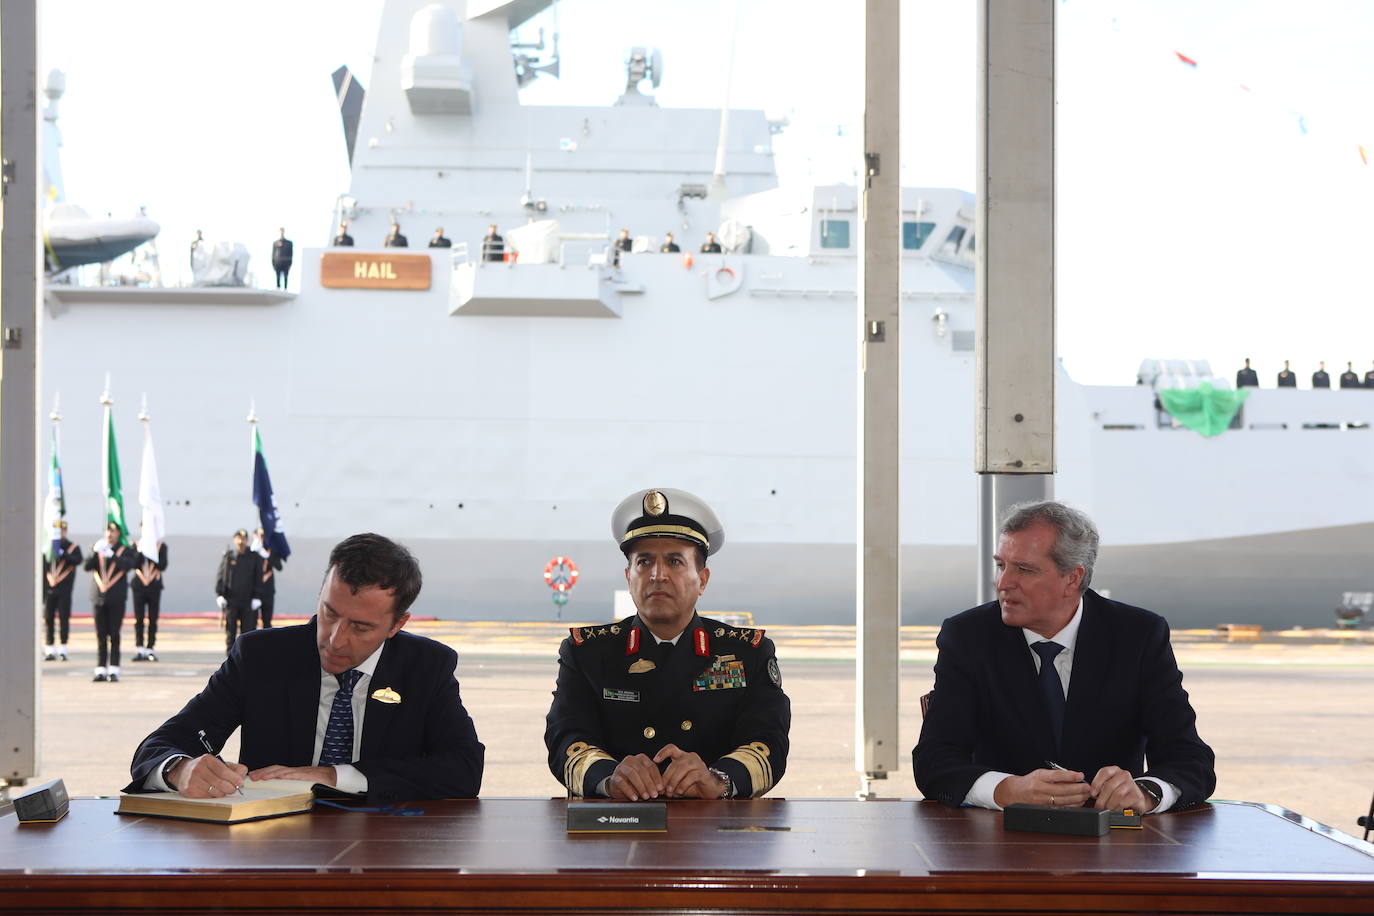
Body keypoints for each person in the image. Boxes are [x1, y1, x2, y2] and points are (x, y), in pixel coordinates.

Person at [125, 533, 485, 804]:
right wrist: (179, 770)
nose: (334, 639)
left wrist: (332, 776)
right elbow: (159, 746)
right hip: (271, 856)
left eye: (360, 627)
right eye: (329, 613)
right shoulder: (261, 656)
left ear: (396, 625)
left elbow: (463, 771)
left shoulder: (426, 666)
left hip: (385, 853)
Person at [913, 500, 1215, 815]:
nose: (1003, 583)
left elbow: (1190, 758)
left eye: (1024, 569)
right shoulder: (968, 635)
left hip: (1112, 848)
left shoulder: (1138, 635)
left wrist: (1146, 792)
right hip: (997, 843)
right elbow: (934, 761)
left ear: (1072, 578)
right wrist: (1005, 789)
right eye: (1001, 565)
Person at [545, 487, 790, 800]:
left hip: (713, 833)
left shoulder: (746, 653)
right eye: (644, 562)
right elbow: (566, 738)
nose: (657, 575)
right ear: (628, 576)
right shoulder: (588, 653)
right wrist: (609, 778)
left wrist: (718, 780)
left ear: (702, 579)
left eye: (675, 561)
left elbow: (768, 743)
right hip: (615, 827)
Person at [84, 521, 139, 682]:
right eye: (108, 530)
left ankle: (114, 668)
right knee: (101, 634)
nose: (109, 534)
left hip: (116, 597)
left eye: (113, 531)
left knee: (114, 634)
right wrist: (95, 552)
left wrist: (112, 555)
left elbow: (129, 565)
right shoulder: (98, 547)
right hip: (98, 597)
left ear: (118, 534)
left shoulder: (126, 551)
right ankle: (100, 668)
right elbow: (87, 566)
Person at [41, 520, 83, 661]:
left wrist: (63, 554)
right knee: (49, 619)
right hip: (50, 590)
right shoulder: (48, 547)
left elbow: (77, 560)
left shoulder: (72, 547)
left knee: (64, 618)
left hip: (64, 590)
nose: (61, 533)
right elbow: (43, 566)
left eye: (63, 531)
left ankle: (63, 647)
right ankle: (49, 647)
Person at [216, 528, 262, 653]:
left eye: (243, 539)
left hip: (248, 601)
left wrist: (257, 597)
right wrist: (220, 594)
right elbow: (221, 576)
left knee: (247, 633)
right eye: (238, 539)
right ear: (234, 540)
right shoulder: (228, 556)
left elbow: (258, 578)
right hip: (231, 600)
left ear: (247, 540)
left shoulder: (254, 557)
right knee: (230, 632)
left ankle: (246, 658)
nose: (241, 542)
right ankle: (230, 659)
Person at [131, 540, 169, 662]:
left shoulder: (161, 546)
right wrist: (141, 550)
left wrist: (151, 552)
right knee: (139, 618)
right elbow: (134, 563)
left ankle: (150, 648)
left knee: (153, 618)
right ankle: (140, 648)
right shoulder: (136, 545)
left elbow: (162, 564)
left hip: (154, 586)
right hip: (139, 586)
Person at [251, 526, 285, 628]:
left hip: (268, 590)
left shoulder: (271, 550)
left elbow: (279, 566)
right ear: (254, 536)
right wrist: (253, 552)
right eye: (259, 536)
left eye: (263, 536)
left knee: (267, 622)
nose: (261, 538)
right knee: (251, 622)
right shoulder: (252, 550)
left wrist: (266, 555)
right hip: (254, 591)